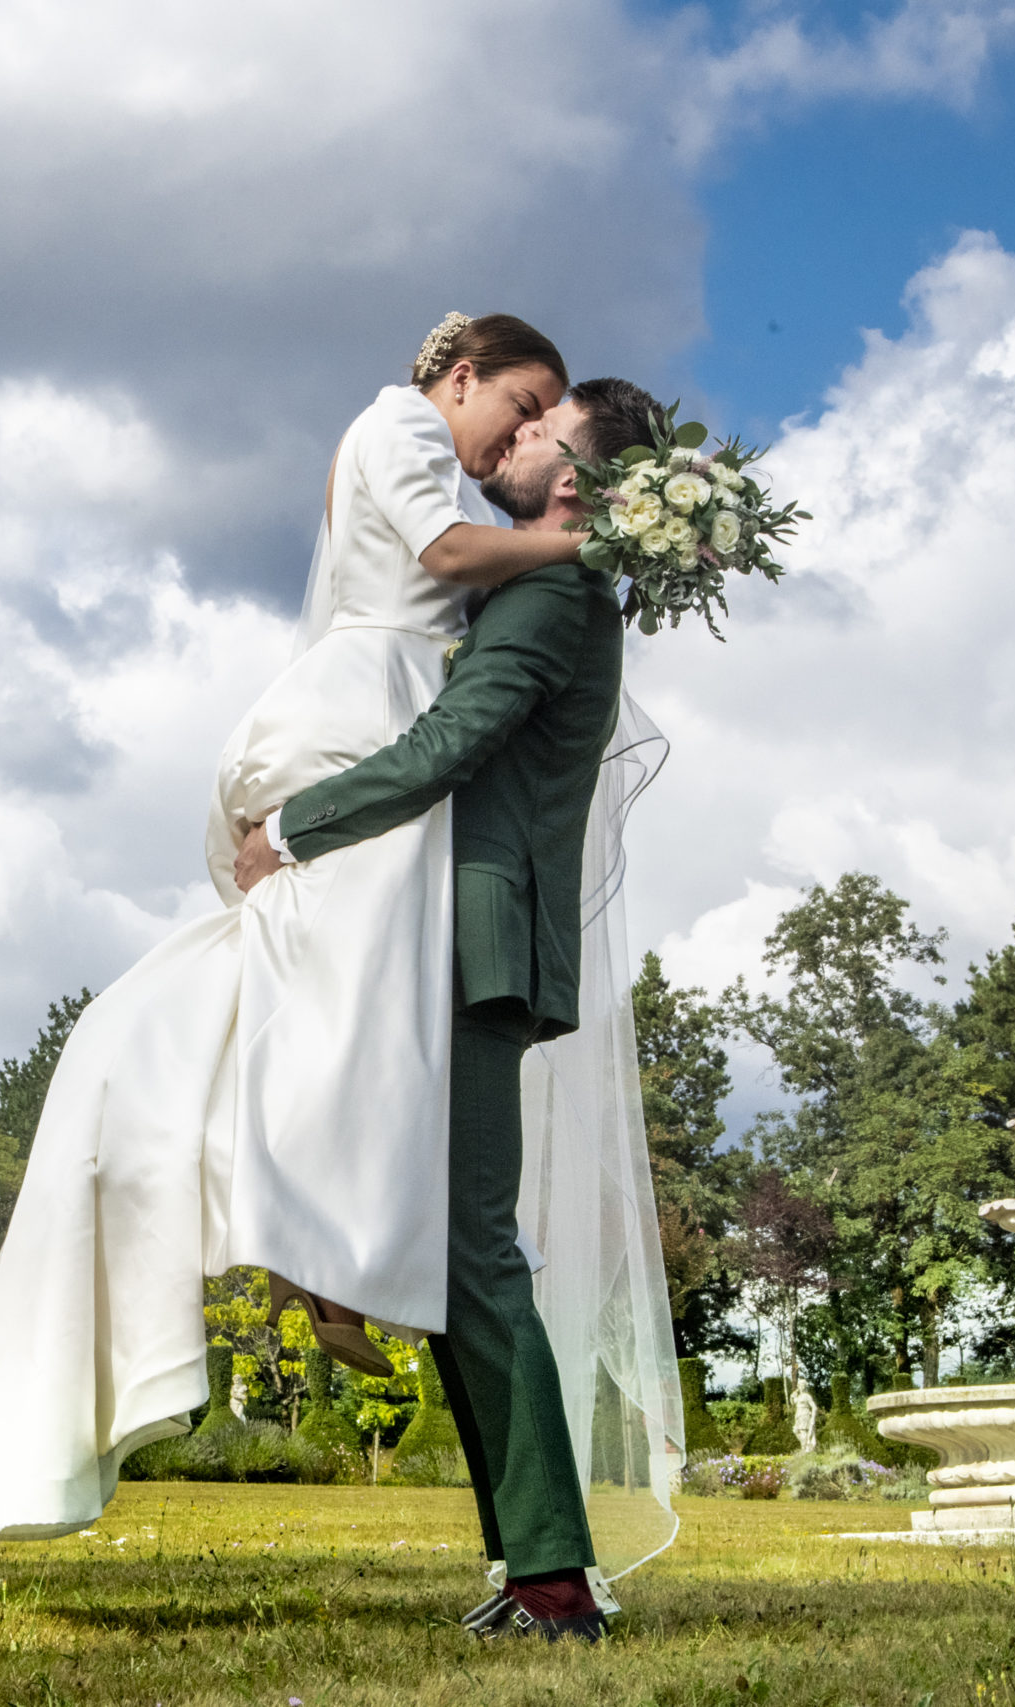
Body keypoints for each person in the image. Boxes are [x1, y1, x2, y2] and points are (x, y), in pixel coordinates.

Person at [0, 313, 580, 1550]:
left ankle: (313, 1239)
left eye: (550, 414)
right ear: (457, 375)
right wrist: (574, 541)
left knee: (351, 1005)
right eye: (521, 398)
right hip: (370, 704)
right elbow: (442, 553)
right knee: (332, 986)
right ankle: (306, 1236)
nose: (528, 427)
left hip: (398, 697)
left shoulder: (433, 451)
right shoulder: (396, 423)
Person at [234, 376, 665, 1643]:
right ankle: (526, 1566)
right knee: (457, 1248)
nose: (518, 440)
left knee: (477, 1253)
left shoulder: (553, 589)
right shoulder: (533, 582)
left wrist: (291, 830)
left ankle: (551, 1584)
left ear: (576, 481)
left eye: (541, 431)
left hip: (477, 947)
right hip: (450, 939)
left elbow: (451, 746)